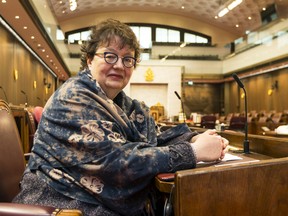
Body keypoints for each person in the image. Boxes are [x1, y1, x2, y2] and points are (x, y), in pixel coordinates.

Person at [13, 19, 228, 216]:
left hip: (88, 199)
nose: (119, 65)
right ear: (89, 60)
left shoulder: (120, 103)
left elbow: (153, 139)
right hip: (62, 201)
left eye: (128, 59)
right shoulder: (73, 97)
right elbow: (118, 164)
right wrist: (194, 152)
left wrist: (196, 139)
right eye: (109, 56)